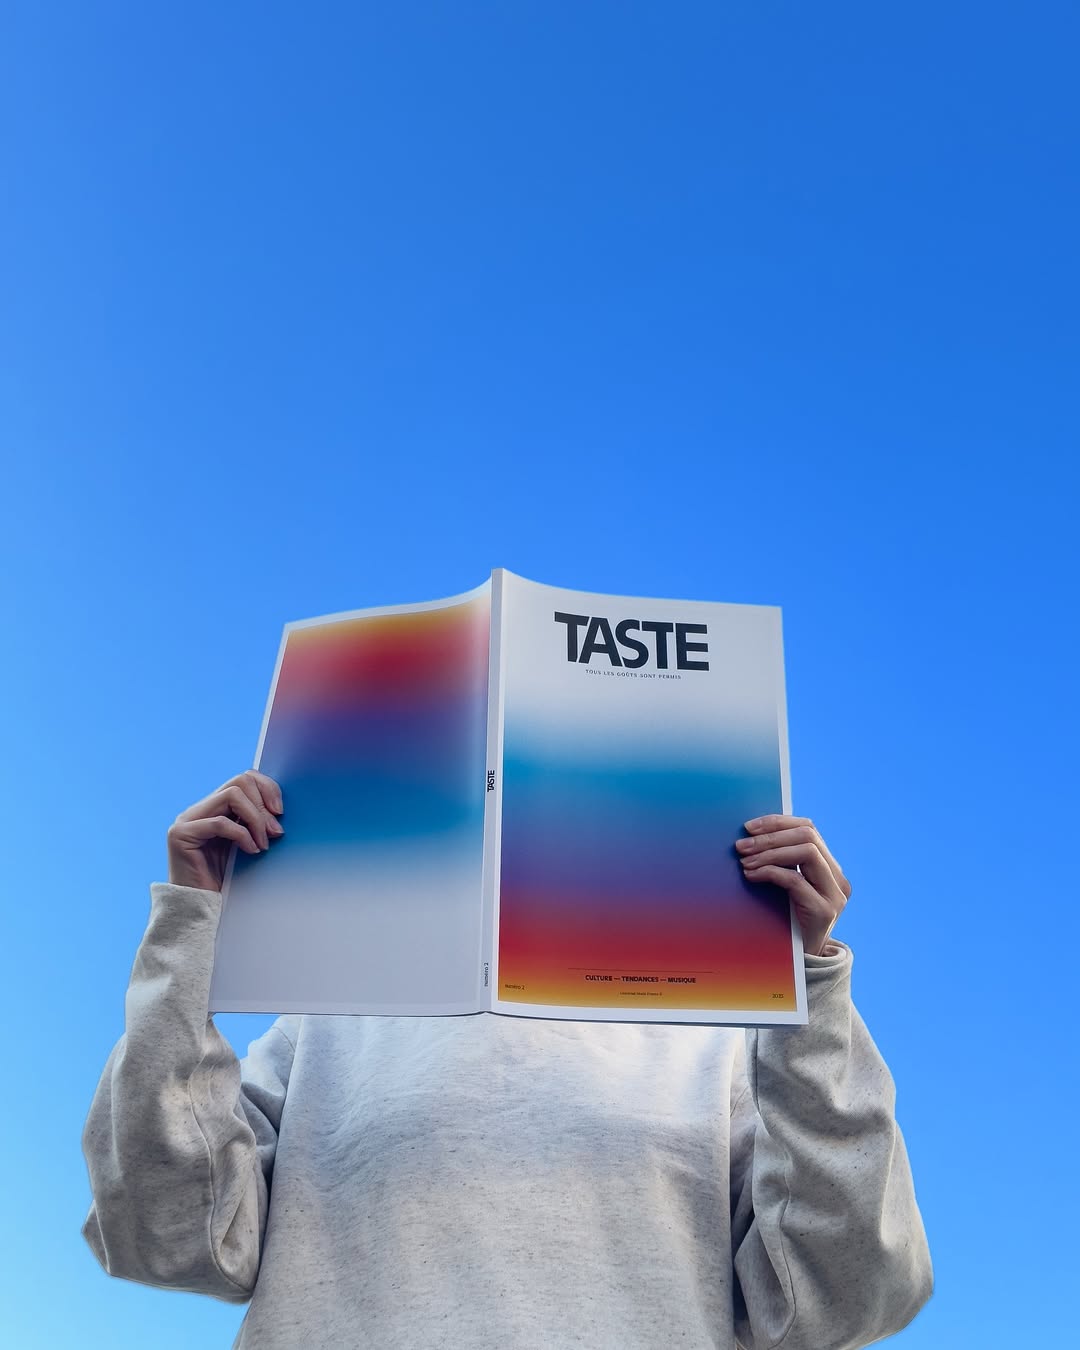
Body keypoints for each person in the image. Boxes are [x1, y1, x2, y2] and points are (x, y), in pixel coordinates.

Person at [82, 769, 933, 1350]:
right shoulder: (333, 1021)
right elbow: (167, 1238)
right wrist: (190, 921)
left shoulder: (720, 1040)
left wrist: (808, 982)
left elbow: (843, 1295)